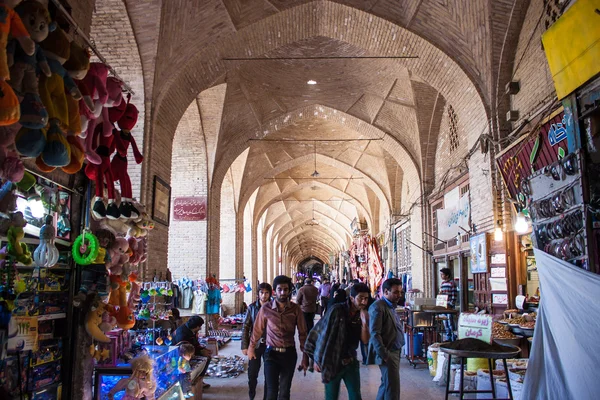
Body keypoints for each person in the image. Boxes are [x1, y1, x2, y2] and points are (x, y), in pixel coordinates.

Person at [305, 283, 370, 400]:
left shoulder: (362, 314)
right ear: (351, 298)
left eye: (366, 298)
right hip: (332, 361)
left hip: (350, 361)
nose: (364, 302)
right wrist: (317, 359)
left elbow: (365, 341)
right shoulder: (337, 310)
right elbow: (322, 334)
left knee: (355, 395)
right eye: (361, 298)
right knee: (332, 397)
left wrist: (365, 323)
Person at [248, 275, 309, 400]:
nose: (282, 292)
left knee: (284, 392)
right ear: (275, 291)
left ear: (289, 291)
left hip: (289, 355)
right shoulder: (266, 309)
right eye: (280, 289)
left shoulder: (295, 309)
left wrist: (305, 356)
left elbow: (303, 333)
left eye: (285, 289)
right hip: (271, 354)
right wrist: (251, 348)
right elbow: (257, 330)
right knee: (271, 391)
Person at [367, 278, 405, 400]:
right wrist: (384, 354)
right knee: (392, 388)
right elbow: (374, 333)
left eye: (400, 292)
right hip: (388, 351)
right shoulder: (378, 307)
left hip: (395, 349)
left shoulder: (391, 306)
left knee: (387, 384)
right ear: (386, 292)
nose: (399, 295)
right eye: (395, 292)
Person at [242, 282, 273, 400]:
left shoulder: (273, 307)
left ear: (270, 294)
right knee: (252, 373)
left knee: (269, 374)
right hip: (255, 345)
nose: (264, 295)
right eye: (262, 293)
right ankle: (252, 395)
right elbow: (246, 327)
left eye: (266, 293)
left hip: (270, 344)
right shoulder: (252, 307)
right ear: (258, 294)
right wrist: (245, 346)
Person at [173, 316, 212, 389]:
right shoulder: (182, 334)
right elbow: (184, 351)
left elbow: (195, 344)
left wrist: (203, 349)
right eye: (199, 327)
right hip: (180, 355)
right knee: (204, 359)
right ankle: (192, 381)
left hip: (189, 351)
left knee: (207, 357)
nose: (200, 328)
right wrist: (200, 352)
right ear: (196, 326)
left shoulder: (190, 330)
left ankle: (200, 380)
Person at [439, 267, 458, 341]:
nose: (441, 276)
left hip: (449, 306)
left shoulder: (452, 283)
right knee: (445, 322)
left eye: (442, 274)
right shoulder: (442, 283)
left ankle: (453, 337)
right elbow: (441, 294)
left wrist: (451, 304)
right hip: (443, 305)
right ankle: (448, 337)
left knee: (450, 322)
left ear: (447, 275)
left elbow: (454, 295)